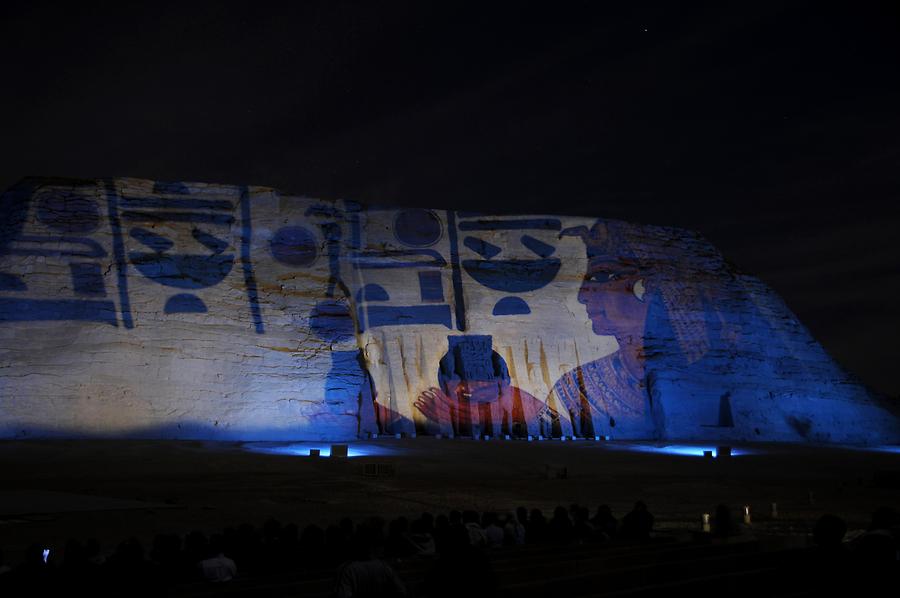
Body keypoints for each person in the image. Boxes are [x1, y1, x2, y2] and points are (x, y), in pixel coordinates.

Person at [415, 335, 562, 438]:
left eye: (477, 383)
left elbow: (561, 427)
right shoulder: (443, 406)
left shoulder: (517, 400)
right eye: (461, 384)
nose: (467, 389)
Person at [334, 527, 407, 598]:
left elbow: (342, 594)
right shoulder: (385, 567)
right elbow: (401, 591)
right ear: (371, 547)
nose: (383, 548)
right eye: (380, 544)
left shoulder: (347, 569)